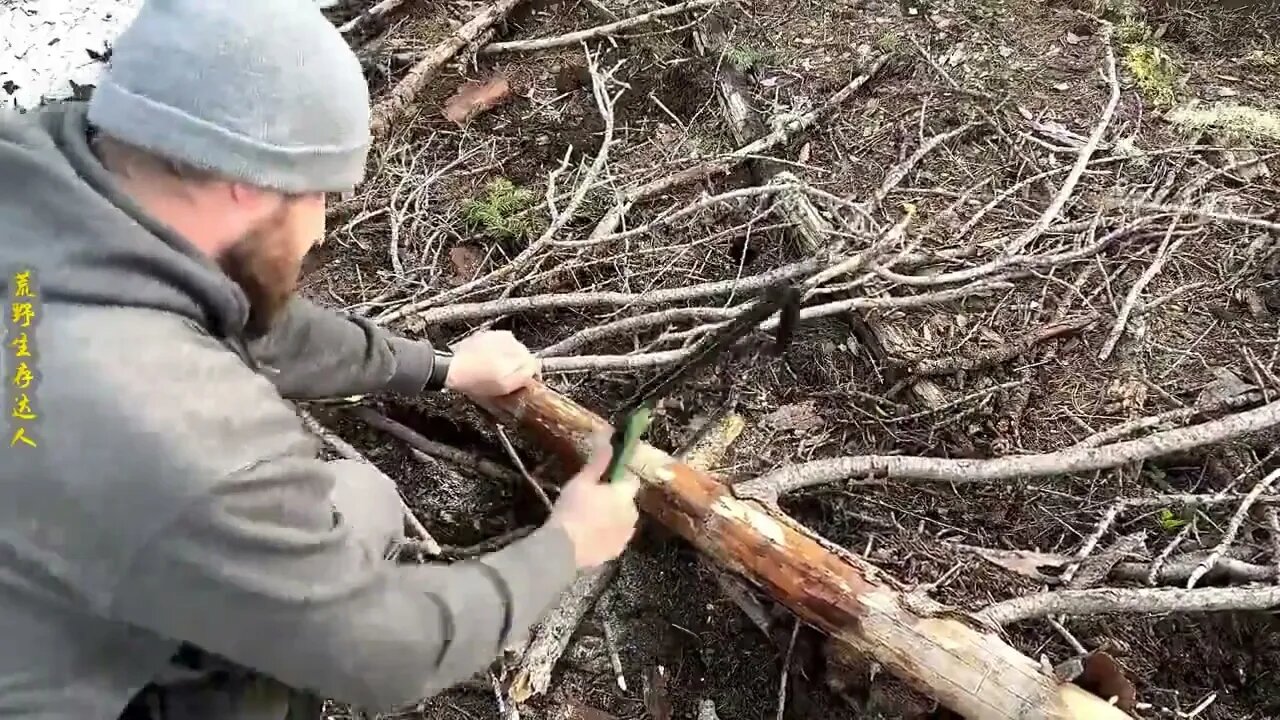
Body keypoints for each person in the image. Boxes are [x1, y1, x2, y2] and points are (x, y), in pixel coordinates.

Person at [0, 1, 641, 718]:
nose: (323, 228)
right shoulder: (183, 430)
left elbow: (251, 319)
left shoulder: (41, 193)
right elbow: (383, 654)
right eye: (321, 197)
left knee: (362, 502)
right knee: (295, 632)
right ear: (247, 180)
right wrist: (567, 545)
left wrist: (442, 368)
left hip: (43, 564)